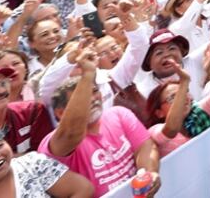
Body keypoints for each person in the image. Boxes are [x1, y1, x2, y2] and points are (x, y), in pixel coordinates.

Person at [42, 48, 162, 196]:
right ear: (61, 113)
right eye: (83, 96)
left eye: (94, 91)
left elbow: (145, 146)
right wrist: (87, 75)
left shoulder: (118, 114)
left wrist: (149, 173)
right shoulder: (54, 143)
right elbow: (72, 133)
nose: (92, 99)